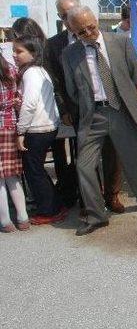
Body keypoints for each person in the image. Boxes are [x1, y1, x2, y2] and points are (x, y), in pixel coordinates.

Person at [62, 6, 137, 236]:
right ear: (72, 30)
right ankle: (97, 215)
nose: (88, 33)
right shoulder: (70, 54)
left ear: (96, 20)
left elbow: (132, 76)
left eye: (91, 27)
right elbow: (71, 89)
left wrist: (125, 99)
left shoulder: (120, 42)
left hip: (122, 110)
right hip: (93, 116)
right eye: (81, 32)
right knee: (84, 166)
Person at [45, 0, 125, 213]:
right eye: (64, 16)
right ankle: (91, 200)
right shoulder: (54, 45)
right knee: (85, 158)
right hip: (78, 109)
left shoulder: (104, 38)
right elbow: (56, 82)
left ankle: (112, 194)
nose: (69, 18)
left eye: (73, 12)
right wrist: (64, 110)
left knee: (113, 152)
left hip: (108, 105)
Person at [13, 36, 67, 224]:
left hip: (37, 129)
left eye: (19, 51)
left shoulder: (31, 73)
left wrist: (20, 131)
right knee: (36, 169)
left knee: (33, 170)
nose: (15, 55)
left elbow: (30, 104)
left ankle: (50, 210)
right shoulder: (40, 71)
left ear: (33, 53)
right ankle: (53, 205)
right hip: (45, 126)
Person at [0, 51, 29, 233]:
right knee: (12, 175)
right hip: (10, 127)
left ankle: (5, 222)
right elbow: (19, 98)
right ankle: (23, 217)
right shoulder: (11, 70)